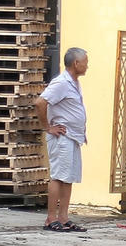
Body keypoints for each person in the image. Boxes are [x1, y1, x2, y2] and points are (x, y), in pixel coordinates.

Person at [34, 47, 89, 232]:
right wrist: (47, 127)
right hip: (61, 137)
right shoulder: (61, 83)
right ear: (76, 63)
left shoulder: (74, 82)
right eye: (85, 62)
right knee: (58, 177)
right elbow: (40, 103)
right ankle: (51, 218)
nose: (87, 66)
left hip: (73, 137)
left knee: (68, 177)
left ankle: (63, 217)